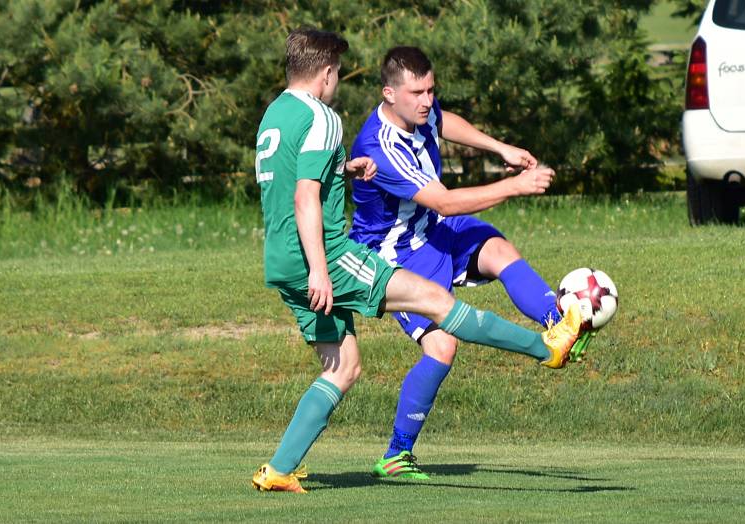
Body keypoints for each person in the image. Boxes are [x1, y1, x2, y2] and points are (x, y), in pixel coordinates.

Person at [251, 28, 582, 494]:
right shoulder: (323, 117)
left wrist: (342, 170)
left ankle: (279, 470)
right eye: (338, 73)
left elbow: (290, 179)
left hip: (282, 259)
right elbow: (305, 198)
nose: (338, 81)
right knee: (434, 301)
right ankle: (545, 348)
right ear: (326, 73)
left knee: (343, 367)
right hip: (322, 255)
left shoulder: (275, 114)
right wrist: (321, 271)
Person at [349, 46, 593, 480]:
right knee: (443, 346)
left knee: (499, 250)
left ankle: (562, 325)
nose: (427, 100)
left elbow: (445, 122)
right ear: (389, 94)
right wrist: (515, 186)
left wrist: (500, 147)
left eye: (431, 90)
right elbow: (442, 198)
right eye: (417, 93)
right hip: (393, 254)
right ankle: (395, 455)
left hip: (434, 227)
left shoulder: (420, 113)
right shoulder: (379, 147)